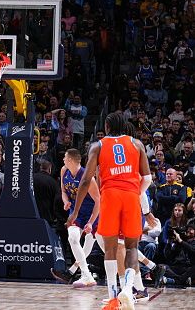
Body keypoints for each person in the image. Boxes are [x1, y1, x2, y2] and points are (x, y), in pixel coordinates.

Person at [68, 113, 151, 310]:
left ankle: (113, 297)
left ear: (106, 126)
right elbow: (147, 178)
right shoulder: (137, 144)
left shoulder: (98, 146)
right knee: (131, 247)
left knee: (110, 248)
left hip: (110, 196)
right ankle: (129, 289)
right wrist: (134, 192)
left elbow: (86, 180)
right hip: (131, 195)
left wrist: (76, 211)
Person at [52, 149, 102, 288]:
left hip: (91, 212)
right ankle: (86, 275)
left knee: (97, 245)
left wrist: (91, 222)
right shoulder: (64, 171)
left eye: (65, 158)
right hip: (75, 212)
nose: (63, 160)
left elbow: (98, 201)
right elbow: (63, 191)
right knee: (73, 238)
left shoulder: (87, 177)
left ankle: (131, 271)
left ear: (71, 160)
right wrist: (66, 201)